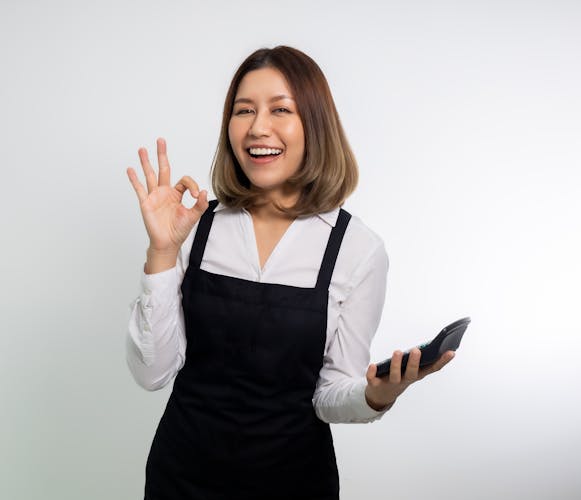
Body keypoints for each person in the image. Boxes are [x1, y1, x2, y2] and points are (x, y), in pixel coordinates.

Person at [126, 46, 454, 500]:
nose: (258, 127)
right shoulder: (195, 228)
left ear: (314, 125)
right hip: (181, 480)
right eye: (244, 111)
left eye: (281, 109)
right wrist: (161, 252)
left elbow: (329, 394)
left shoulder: (358, 249)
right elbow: (152, 374)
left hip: (296, 484)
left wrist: (378, 394)